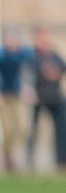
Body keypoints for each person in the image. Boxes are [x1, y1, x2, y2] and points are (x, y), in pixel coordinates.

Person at [0, 28, 32, 173]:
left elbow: (27, 74)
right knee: (7, 128)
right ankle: (8, 156)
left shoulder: (23, 56)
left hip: (18, 96)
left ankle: (13, 152)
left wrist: (28, 88)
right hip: (4, 97)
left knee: (22, 126)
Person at [29, 28, 66, 170]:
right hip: (38, 97)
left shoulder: (54, 56)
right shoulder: (33, 57)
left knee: (61, 128)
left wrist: (56, 73)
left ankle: (61, 160)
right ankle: (30, 160)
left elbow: (62, 68)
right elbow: (29, 74)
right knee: (33, 129)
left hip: (55, 97)